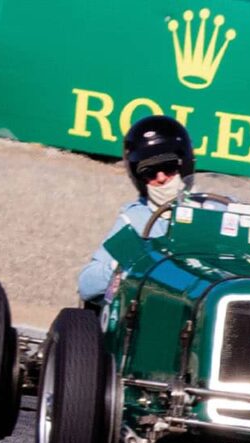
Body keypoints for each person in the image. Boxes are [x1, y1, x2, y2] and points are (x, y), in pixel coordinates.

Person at [77, 115, 197, 306]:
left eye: (169, 166)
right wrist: (126, 264)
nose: (161, 177)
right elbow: (87, 284)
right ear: (138, 177)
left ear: (185, 163)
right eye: (149, 172)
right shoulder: (135, 219)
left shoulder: (217, 208)